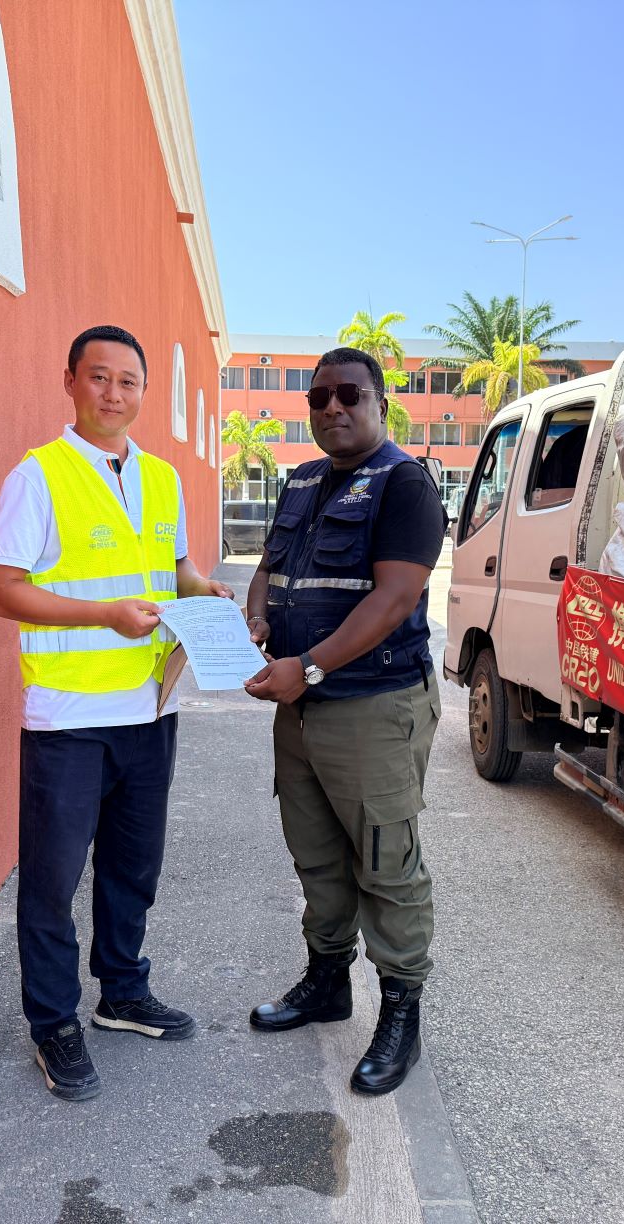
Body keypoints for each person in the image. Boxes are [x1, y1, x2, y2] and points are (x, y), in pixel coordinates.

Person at [0, 324, 231, 1101]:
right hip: (68, 718)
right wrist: (103, 616)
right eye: (99, 377)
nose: (114, 393)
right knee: (52, 882)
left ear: (144, 392)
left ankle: (121, 992)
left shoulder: (161, 478)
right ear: (70, 382)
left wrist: (205, 592)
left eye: (129, 381)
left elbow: (176, 566)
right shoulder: (39, 477)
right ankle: (54, 1022)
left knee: (132, 869)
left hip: (150, 709)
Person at [242, 346, 446, 1096]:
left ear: (379, 403)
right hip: (301, 707)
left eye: (349, 395)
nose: (332, 407)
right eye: (319, 397)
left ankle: (400, 1014)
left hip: (373, 706)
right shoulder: (299, 481)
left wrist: (309, 667)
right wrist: (258, 618)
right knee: (316, 852)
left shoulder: (405, 483)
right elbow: (268, 569)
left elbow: (393, 600)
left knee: (386, 861)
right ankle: (327, 980)